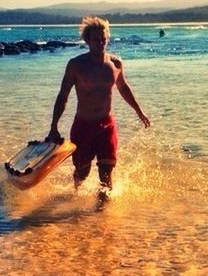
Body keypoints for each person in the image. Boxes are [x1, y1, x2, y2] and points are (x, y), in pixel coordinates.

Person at [47, 16, 150, 203]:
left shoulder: (115, 64)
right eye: (96, 39)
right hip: (83, 125)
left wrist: (139, 112)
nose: (100, 43)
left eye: (103, 39)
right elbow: (63, 95)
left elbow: (124, 88)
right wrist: (54, 126)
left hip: (106, 125)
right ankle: (75, 195)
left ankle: (101, 219)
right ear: (87, 41)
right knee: (82, 171)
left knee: (106, 172)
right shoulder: (76, 65)